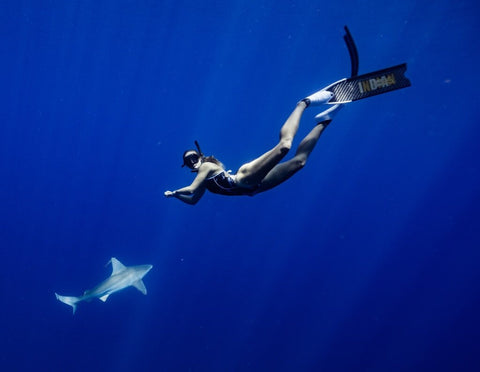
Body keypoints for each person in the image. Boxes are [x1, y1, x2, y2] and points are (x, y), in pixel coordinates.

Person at [164, 89, 343, 205]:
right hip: (254, 188)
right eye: (188, 162)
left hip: (244, 178)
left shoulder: (206, 167)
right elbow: (194, 200)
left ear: (201, 157)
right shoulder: (203, 179)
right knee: (299, 162)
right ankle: (324, 122)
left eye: (194, 157)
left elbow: (192, 189)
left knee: (284, 146)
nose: (192, 162)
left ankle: (303, 104)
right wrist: (175, 196)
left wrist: (176, 191)